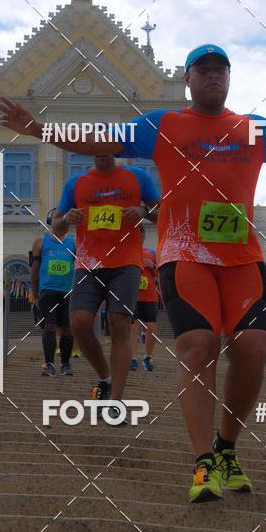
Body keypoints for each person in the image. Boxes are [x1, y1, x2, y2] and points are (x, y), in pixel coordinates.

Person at [0, 43, 266, 501]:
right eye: (204, 71)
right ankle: (203, 462)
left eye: (221, 71)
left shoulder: (253, 129)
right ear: (188, 79)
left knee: (252, 348)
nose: (213, 77)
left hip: (242, 258)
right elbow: (100, 138)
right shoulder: (163, 124)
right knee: (198, 345)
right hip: (185, 255)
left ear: (229, 79)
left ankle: (226, 449)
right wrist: (38, 129)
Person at [49, 153, 159, 424]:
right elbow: (56, 230)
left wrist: (144, 212)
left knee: (119, 322)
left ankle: (116, 403)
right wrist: (67, 219)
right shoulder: (76, 183)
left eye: (105, 143)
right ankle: (105, 378)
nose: (99, 148)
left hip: (126, 262)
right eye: (92, 144)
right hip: (88, 263)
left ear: (115, 147)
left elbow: (162, 212)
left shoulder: (138, 177)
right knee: (79, 322)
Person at [30, 213, 76, 376]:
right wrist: (35, 294)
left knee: (68, 329)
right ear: (51, 222)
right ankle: (49, 364)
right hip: (48, 290)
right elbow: (34, 269)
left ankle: (66, 364)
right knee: (49, 326)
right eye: (58, 218)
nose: (62, 221)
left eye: (64, 217)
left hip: (68, 291)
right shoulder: (41, 242)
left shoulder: (73, 242)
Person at [130, 225, 159, 372]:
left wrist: (153, 266)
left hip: (149, 296)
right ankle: (133, 358)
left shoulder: (151, 252)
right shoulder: (128, 251)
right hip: (133, 296)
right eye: (137, 235)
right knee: (133, 327)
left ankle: (147, 356)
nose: (139, 238)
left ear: (144, 237)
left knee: (151, 327)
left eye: (141, 235)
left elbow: (158, 274)